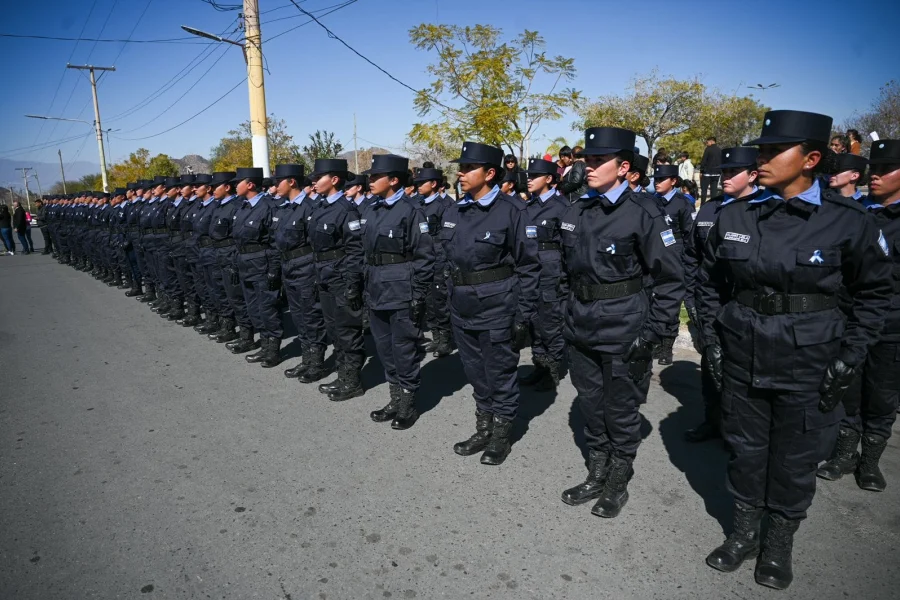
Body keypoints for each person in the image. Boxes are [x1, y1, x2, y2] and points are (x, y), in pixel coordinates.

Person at [698, 110, 892, 590]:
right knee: (745, 450)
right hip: (743, 351)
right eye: (760, 150)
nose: (759, 159)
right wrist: (713, 340)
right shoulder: (735, 215)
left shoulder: (848, 222)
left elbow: (874, 294)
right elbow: (708, 283)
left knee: (794, 456)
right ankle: (743, 534)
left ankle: (778, 545)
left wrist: (851, 356)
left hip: (810, 360)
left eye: (771, 151)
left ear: (810, 159)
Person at [557, 127, 684, 518]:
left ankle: (617, 479)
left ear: (623, 166)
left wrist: (654, 334)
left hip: (623, 326)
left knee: (621, 407)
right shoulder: (578, 208)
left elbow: (670, 277)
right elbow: (565, 270)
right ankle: (597, 470)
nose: (589, 167)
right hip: (581, 324)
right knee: (590, 402)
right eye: (587, 160)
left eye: (598, 161)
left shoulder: (644, 212)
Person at [441, 141, 539, 465]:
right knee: (476, 374)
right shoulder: (455, 210)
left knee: (500, 374)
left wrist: (523, 315)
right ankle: (482, 428)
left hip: (498, 309)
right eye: (462, 168)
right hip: (462, 309)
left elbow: (529, 267)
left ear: (490, 173)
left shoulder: (513, 211)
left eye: (469, 168)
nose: (462, 173)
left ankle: (501, 434)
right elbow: (446, 259)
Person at [817, 139, 900, 492]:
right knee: (845, 388)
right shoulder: (856, 213)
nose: (875, 176)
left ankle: (870, 462)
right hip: (850, 319)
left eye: (885, 170)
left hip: (892, 325)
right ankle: (845, 455)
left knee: (881, 396)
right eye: (874, 170)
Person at [682, 146, 761, 443]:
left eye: (732, 172)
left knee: (742, 373)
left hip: (743, 305)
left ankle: (737, 430)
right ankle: (712, 420)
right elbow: (691, 256)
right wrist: (692, 298)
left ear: (752, 175)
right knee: (710, 364)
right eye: (723, 171)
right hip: (709, 300)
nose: (724, 177)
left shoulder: (763, 210)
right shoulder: (709, 208)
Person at [363, 154, 435, 429]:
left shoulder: (411, 210)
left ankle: (408, 401)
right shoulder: (371, 209)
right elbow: (363, 251)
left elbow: (424, 257)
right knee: (384, 348)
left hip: (401, 289)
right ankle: (394, 396)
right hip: (376, 287)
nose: (369, 180)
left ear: (393, 180)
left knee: (403, 347)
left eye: (374, 176)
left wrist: (418, 295)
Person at [307, 158, 367, 402]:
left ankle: (352, 381)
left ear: (334, 180)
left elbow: (355, 251)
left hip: (341, 278)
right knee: (333, 328)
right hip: (324, 276)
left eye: (318, 177)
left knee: (347, 331)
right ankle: (343, 375)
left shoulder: (346, 210)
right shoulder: (320, 207)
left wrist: (353, 283)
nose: (313, 181)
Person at [271, 165, 330, 382]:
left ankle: (317, 363)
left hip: (306, 268)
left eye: (278, 181)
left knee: (311, 315)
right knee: (297, 315)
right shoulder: (284, 209)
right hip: (288, 267)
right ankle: (307, 359)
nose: (274, 186)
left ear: (292, 182)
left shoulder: (310, 207)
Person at [519, 158, 569, 391]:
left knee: (550, 323)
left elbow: (570, 247)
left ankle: (552, 369)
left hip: (551, 273)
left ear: (548, 179)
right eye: (528, 176)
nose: (528, 180)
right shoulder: (528, 206)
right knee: (534, 322)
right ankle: (539, 365)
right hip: (530, 272)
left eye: (534, 176)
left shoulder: (561, 207)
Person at [231, 167, 282, 364]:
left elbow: (275, 243)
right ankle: (263, 345)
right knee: (254, 309)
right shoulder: (243, 207)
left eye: (239, 182)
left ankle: (273, 350)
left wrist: (273, 271)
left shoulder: (268, 207)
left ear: (250, 184)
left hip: (262, 264)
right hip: (245, 264)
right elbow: (238, 240)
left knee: (268, 308)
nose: (236, 186)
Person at [650, 164, 694, 365]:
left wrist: (683, 260)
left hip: (674, 258)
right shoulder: (652, 202)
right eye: (655, 180)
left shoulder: (682, 203)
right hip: (653, 256)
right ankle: (654, 341)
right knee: (653, 301)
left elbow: (688, 235)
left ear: (674, 181)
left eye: (661, 180)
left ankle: (666, 346)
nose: (657, 183)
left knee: (671, 303)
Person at [412, 167, 454, 358]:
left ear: (434, 184)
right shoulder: (416, 204)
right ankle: (436, 336)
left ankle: (445, 339)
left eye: (422, 183)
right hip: (422, 258)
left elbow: (447, 237)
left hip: (438, 258)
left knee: (440, 300)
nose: (418, 186)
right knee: (428, 299)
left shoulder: (445, 205)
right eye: (417, 183)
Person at [699, 136, 722, 205]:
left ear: (711, 141)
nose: (707, 143)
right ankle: (713, 206)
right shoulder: (719, 150)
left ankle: (702, 206)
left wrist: (701, 170)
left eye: (707, 142)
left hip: (707, 173)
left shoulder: (708, 149)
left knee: (704, 191)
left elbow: (704, 161)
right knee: (714, 191)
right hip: (717, 173)